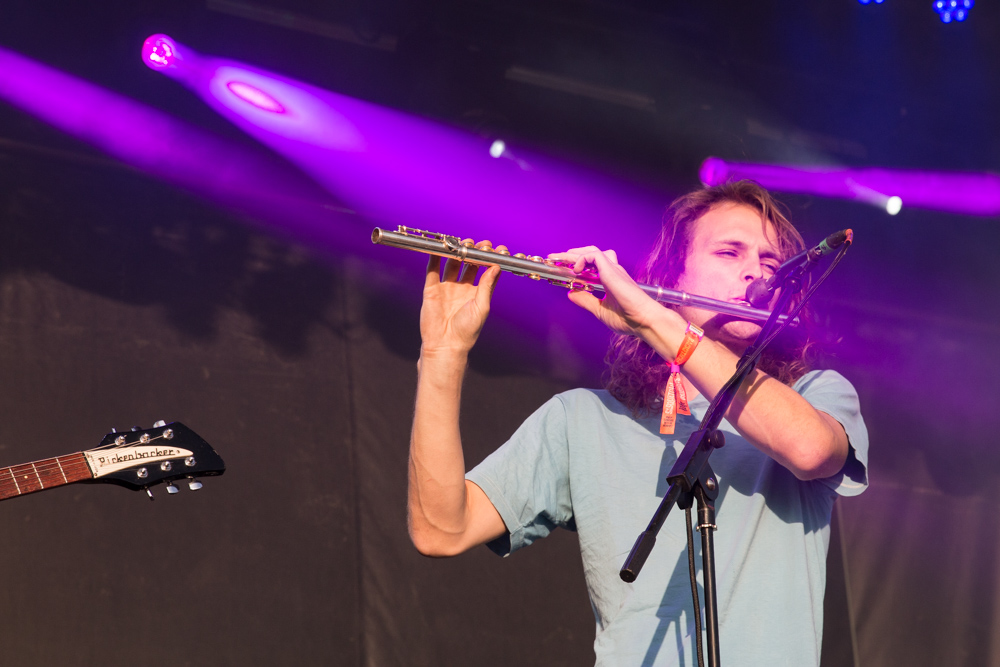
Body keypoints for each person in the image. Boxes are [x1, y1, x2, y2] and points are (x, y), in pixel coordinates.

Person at [407, 180, 868, 666]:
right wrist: (442, 355)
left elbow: (811, 450)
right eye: (729, 252)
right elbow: (441, 529)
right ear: (675, 275)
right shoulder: (583, 418)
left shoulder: (815, 395)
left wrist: (653, 320)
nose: (756, 272)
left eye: (771, 262)